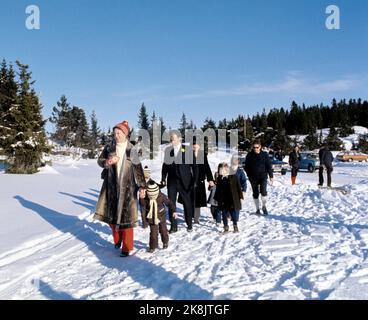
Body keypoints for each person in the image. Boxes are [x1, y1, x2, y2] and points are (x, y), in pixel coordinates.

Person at [94, 120, 146, 257]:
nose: (116, 135)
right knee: (111, 217)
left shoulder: (131, 150)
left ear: (125, 134)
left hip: (128, 188)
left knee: (127, 219)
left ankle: (127, 247)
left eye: (119, 132)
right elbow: (100, 161)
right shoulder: (109, 147)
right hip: (111, 186)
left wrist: (142, 186)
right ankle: (118, 239)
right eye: (115, 132)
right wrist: (107, 162)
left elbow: (138, 169)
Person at [161, 132, 197, 233]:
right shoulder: (169, 151)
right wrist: (163, 178)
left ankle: (189, 224)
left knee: (187, 203)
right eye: (171, 139)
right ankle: (173, 226)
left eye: (173, 138)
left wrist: (194, 180)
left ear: (180, 138)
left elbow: (194, 166)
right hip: (172, 182)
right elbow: (165, 166)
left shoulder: (187, 149)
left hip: (185, 182)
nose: (172, 141)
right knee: (171, 204)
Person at [139, 181, 177, 253]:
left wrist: (174, 211)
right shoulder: (146, 197)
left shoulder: (161, 196)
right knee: (153, 233)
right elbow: (142, 205)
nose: (152, 197)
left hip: (161, 215)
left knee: (163, 230)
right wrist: (141, 198)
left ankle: (165, 242)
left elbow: (169, 203)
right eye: (151, 195)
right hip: (151, 217)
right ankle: (153, 246)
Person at [245, 140, 274, 215]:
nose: (255, 149)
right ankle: (257, 209)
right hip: (253, 177)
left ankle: (264, 206)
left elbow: (268, 166)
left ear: (260, 147)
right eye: (254, 147)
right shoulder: (249, 155)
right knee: (255, 193)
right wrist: (249, 175)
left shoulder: (264, 155)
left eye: (257, 147)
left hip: (263, 176)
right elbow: (246, 166)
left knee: (263, 192)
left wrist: (271, 176)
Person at [214, 163, 243, 233]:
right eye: (219, 170)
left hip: (232, 199)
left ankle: (235, 225)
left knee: (233, 214)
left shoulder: (233, 177)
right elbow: (217, 189)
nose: (219, 172)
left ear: (226, 170)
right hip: (223, 200)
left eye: (221, 170)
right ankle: (225, 227)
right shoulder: (219, 178)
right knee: (224, 214)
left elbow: (238, 187)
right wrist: (216, 198)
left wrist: (240, 197)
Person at [192, 139, 214, 224]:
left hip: (200, 180)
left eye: (196, 144)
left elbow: (206, 167)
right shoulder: (187, 155)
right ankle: (190, 215)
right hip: (189, 180)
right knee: (189, 199)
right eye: (193, 144)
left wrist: (210, 179)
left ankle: (196, 218)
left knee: (198, 200)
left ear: (199, 146)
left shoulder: (202, 155)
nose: (195, 146)